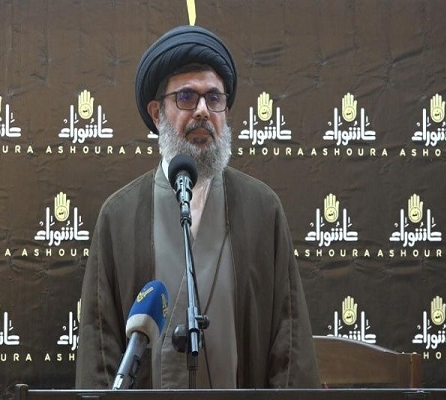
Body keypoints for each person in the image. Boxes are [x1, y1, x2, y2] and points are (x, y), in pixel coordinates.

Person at [75, 25, 320, 389]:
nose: (203, 111)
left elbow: (290, 338)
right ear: (157, 112)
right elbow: (100, 347)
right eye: (187, 97)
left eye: (214, 98)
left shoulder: (261, 208)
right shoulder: (119, 215)